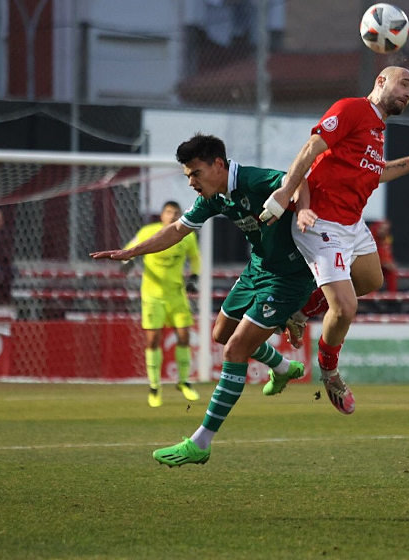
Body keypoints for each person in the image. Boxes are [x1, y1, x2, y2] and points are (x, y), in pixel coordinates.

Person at [91, 133, 314, 467]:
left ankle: (201, 442)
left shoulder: (254, 180)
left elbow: (296, 179)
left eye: (196, 173)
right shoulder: (215, 198)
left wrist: (304, 209)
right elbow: (177, 230)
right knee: (221, 333)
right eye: (188, 176)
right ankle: (283, 368)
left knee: (234, 350)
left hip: (289, 277)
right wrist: (132, 252)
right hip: (258, 268)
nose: (192, 182)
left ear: (218, 164)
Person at [259, 66, 409, 414]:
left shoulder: (376, 128)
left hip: (351, 224)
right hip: (322, 221)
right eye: (403, 83)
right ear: (380, 81)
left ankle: (300, 311)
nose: (408, 92)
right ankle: (329, 373)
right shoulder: (352, 109)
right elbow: (311, 148)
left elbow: (376, 174)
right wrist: (289, 195)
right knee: (345, 307)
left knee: (372, 279)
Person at [122, 201, 201, 408]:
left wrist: (194, 277)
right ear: (162, 215)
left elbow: (195, 258)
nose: (172, 215)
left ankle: (183, 382)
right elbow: (129, 249)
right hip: (152, 296)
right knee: (153, 339)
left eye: (176, 212)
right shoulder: (148, 232)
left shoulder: (187, 235)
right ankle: (155, 386)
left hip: (176, 295)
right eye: (168, 212)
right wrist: (127, 261)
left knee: (184, 336)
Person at [371, 220, 398, 293]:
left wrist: (388, 263)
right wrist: (383, 262)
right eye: (382, 228)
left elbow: (388, 253)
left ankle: (392, 297)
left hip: (383, 266)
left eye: (386, 229)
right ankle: (372, 297)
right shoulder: (370, 239)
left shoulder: (387, 238)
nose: (384, 231)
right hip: (372, 265)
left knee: (391, 273)